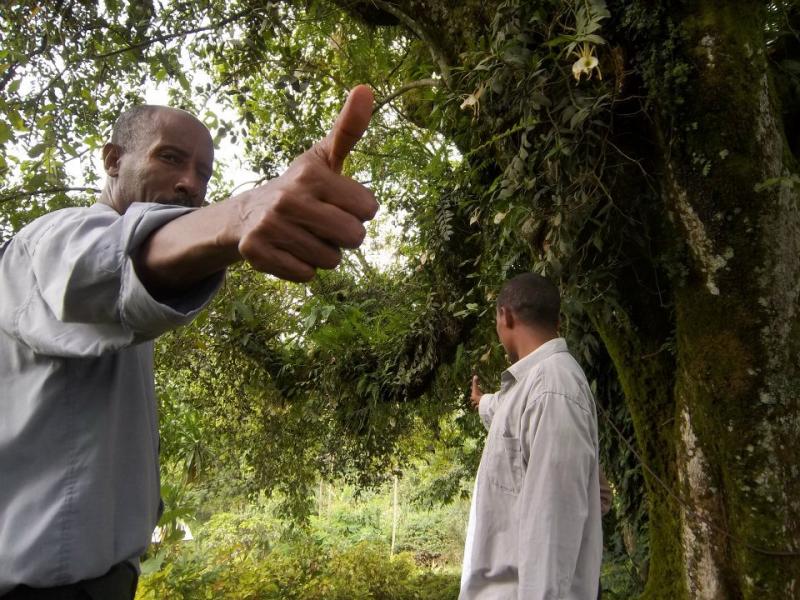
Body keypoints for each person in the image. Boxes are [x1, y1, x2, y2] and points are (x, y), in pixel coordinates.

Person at [0, 85, 378, 599]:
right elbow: (110, 261)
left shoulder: (131, 294)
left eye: (204, 173)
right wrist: (240, 214)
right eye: (171, 158)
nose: (189, 184)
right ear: (113, 160)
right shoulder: (53, 239)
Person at [460, 273, 602, 599]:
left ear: (505, 316)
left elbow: (552, 528)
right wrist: (482, 402)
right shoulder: (532, 386)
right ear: (557, 319)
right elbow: (504, 412)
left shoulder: (554, 389)